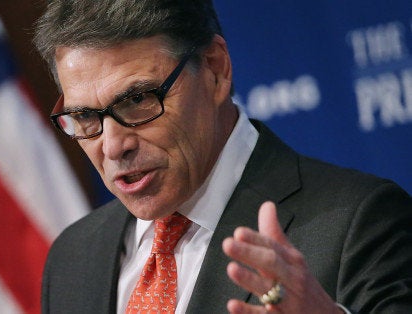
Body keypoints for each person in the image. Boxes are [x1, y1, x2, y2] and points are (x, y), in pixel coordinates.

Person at [33, 1, 412, 313]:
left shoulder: (360, 224)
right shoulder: (74, 257)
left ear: (215, 69)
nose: (114, 147)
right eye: (84, 116)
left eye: (137, 100)